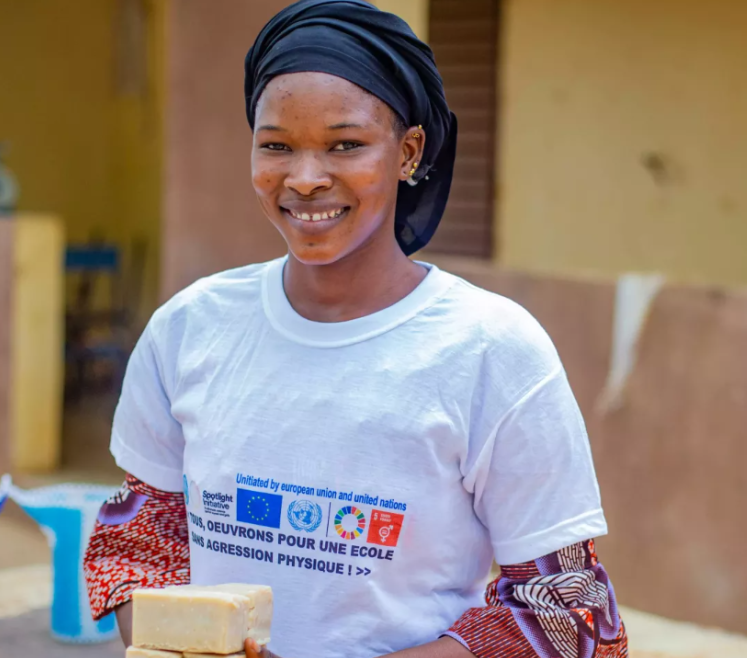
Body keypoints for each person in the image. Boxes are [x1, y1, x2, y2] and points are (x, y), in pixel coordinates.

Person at [83, 1, 628, 657]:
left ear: (408, 151)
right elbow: (141, 540)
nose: (306, 179)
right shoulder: (189, 330)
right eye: (276, 145)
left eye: (346, 145)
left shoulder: (492, 351)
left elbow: (566, 613)